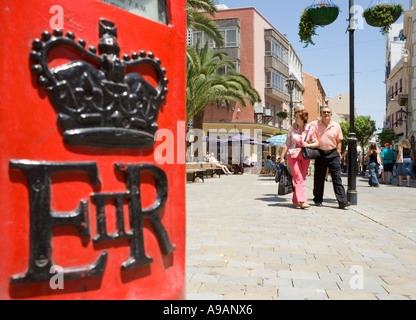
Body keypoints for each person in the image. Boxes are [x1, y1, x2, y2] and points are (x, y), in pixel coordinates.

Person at [310, 106, 350, 209]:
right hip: (320, 153)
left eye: (328, 112)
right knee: (319, 178)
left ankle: (342, 201)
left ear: (331, 114)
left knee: (337, 178)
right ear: (321, 114)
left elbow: (339, 141)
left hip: (333, 154)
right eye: (324, 112)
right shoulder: (314, 124)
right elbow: (306, 131)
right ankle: (318, 200)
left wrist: (339, 153)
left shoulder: (336, 126)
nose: (326, 114)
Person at [280, 107, 319, 209]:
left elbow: (317, 142)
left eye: (297, 117)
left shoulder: (310, 129)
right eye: (295, 116)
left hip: (305, 155)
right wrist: (282, 157)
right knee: (298, 177)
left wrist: (308, 145)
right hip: (292, 155)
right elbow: (287, 143)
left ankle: (295, 200)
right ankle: (302, 201)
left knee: (301, 178)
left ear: (303, 118)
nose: (295, 119)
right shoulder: (291, 128)